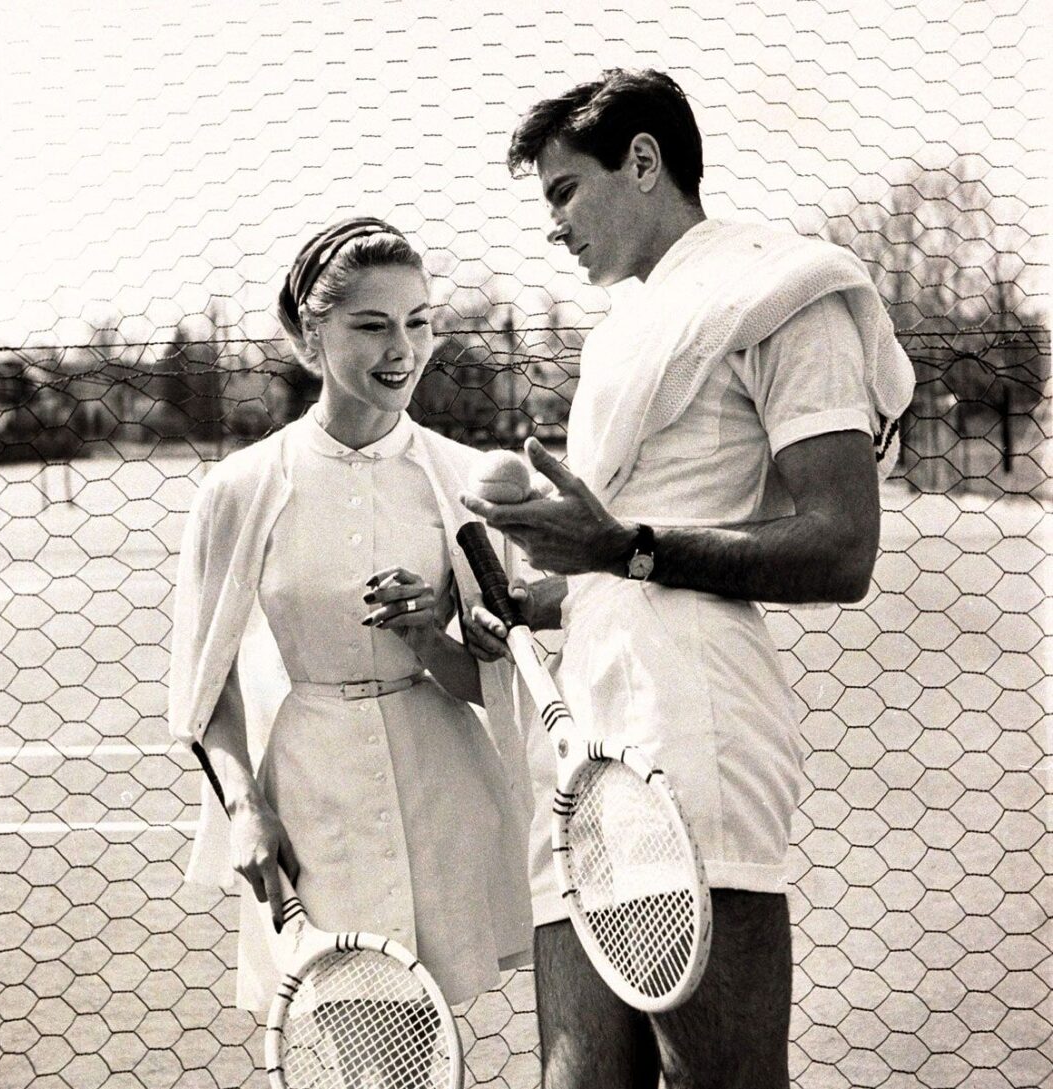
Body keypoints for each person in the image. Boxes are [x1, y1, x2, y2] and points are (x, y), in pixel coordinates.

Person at [461, 69, 915, 1088]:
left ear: (646, 161)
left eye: (565, 193)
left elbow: (842, 547)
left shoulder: (783, 292)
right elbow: (617, 560)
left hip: (694, 732)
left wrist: (621, 548)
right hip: (586, 729)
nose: (556, 228)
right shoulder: (630, 327)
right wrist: (532, 598)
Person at [168, 216, 533, 1014]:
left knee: (429, 1048)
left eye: (418, 321)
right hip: (309, 800)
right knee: (354, 1040)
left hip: (446, 795)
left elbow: (503, 685)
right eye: (371, 326)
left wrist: (427, 637)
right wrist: (246, 811)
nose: (400, 349)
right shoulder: (239, 488)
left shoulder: (465, 480)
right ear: (311, 339)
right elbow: (205, 688)